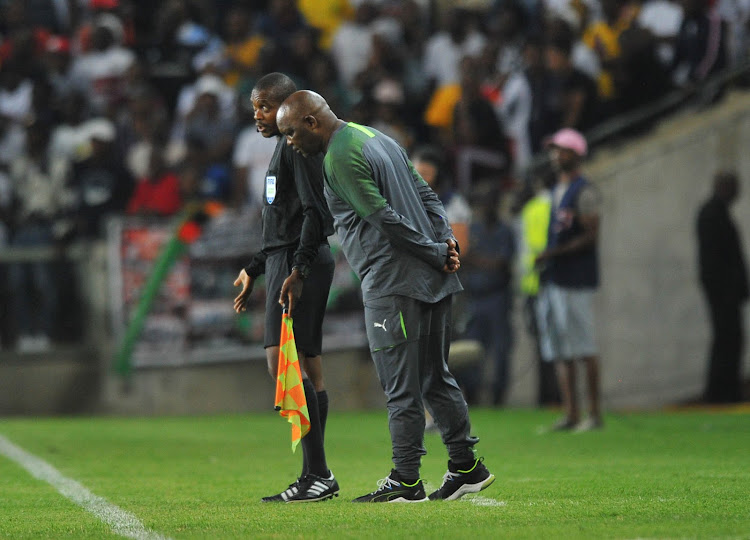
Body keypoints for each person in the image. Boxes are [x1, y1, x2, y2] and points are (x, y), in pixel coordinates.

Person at [276, 90, 495, 503]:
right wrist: (445, 242)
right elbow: (427, 193)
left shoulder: (338, 156)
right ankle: (466, 467)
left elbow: (382, 219)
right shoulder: (374, 136)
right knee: (435, 376)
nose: (288, 142)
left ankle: (406, 480)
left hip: (392, 282)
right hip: (430, 278)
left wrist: (435, 250)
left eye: (289, 132)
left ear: (310, 122)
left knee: (400, 386)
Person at [231, 73, 338, 503]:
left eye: (264, 106)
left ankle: (318, 473)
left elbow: (316, 213)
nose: (257, 115)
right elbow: (284, 223)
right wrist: (255, 268)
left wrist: (296, 268)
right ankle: (316, 474)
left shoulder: (296, 150)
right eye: (254, 107)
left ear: (286, 106)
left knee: (283, 368)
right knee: (307, 369)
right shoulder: (283, 149)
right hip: (285, 261)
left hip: (298, 265)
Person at [535, 128, 603, 432]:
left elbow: (591, 236)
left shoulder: (584, 190)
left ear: (576, 154)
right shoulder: (557, 190)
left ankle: (595, 414)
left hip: (576, 278)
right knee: (561, 348)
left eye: (561, 150)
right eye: (554, 150)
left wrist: (554, 253)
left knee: (583, 346)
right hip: (556, 279)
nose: (555, 156)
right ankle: (571, 412)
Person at [459, 185, 516, 406]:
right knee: (471, 349)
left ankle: (498, 398)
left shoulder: (505, 230)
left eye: (490, 202)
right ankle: (472, 396)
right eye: (483, 203)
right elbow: (461, 258)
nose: (486, 207)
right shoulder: (472, 229)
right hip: (474, 297)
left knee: (501, 349)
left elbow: (502, 264)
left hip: (497, 296)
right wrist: (480, 261)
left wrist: (476, 260)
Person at [696, 171, 748, 403]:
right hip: (723, 293)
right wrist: (728, 289)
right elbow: (717, 259)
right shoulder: (712, 214)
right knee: (727, 339)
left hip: (726, 292)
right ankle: (722, 392)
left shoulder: (717, 213)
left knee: (729, 339)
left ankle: (724, 390)